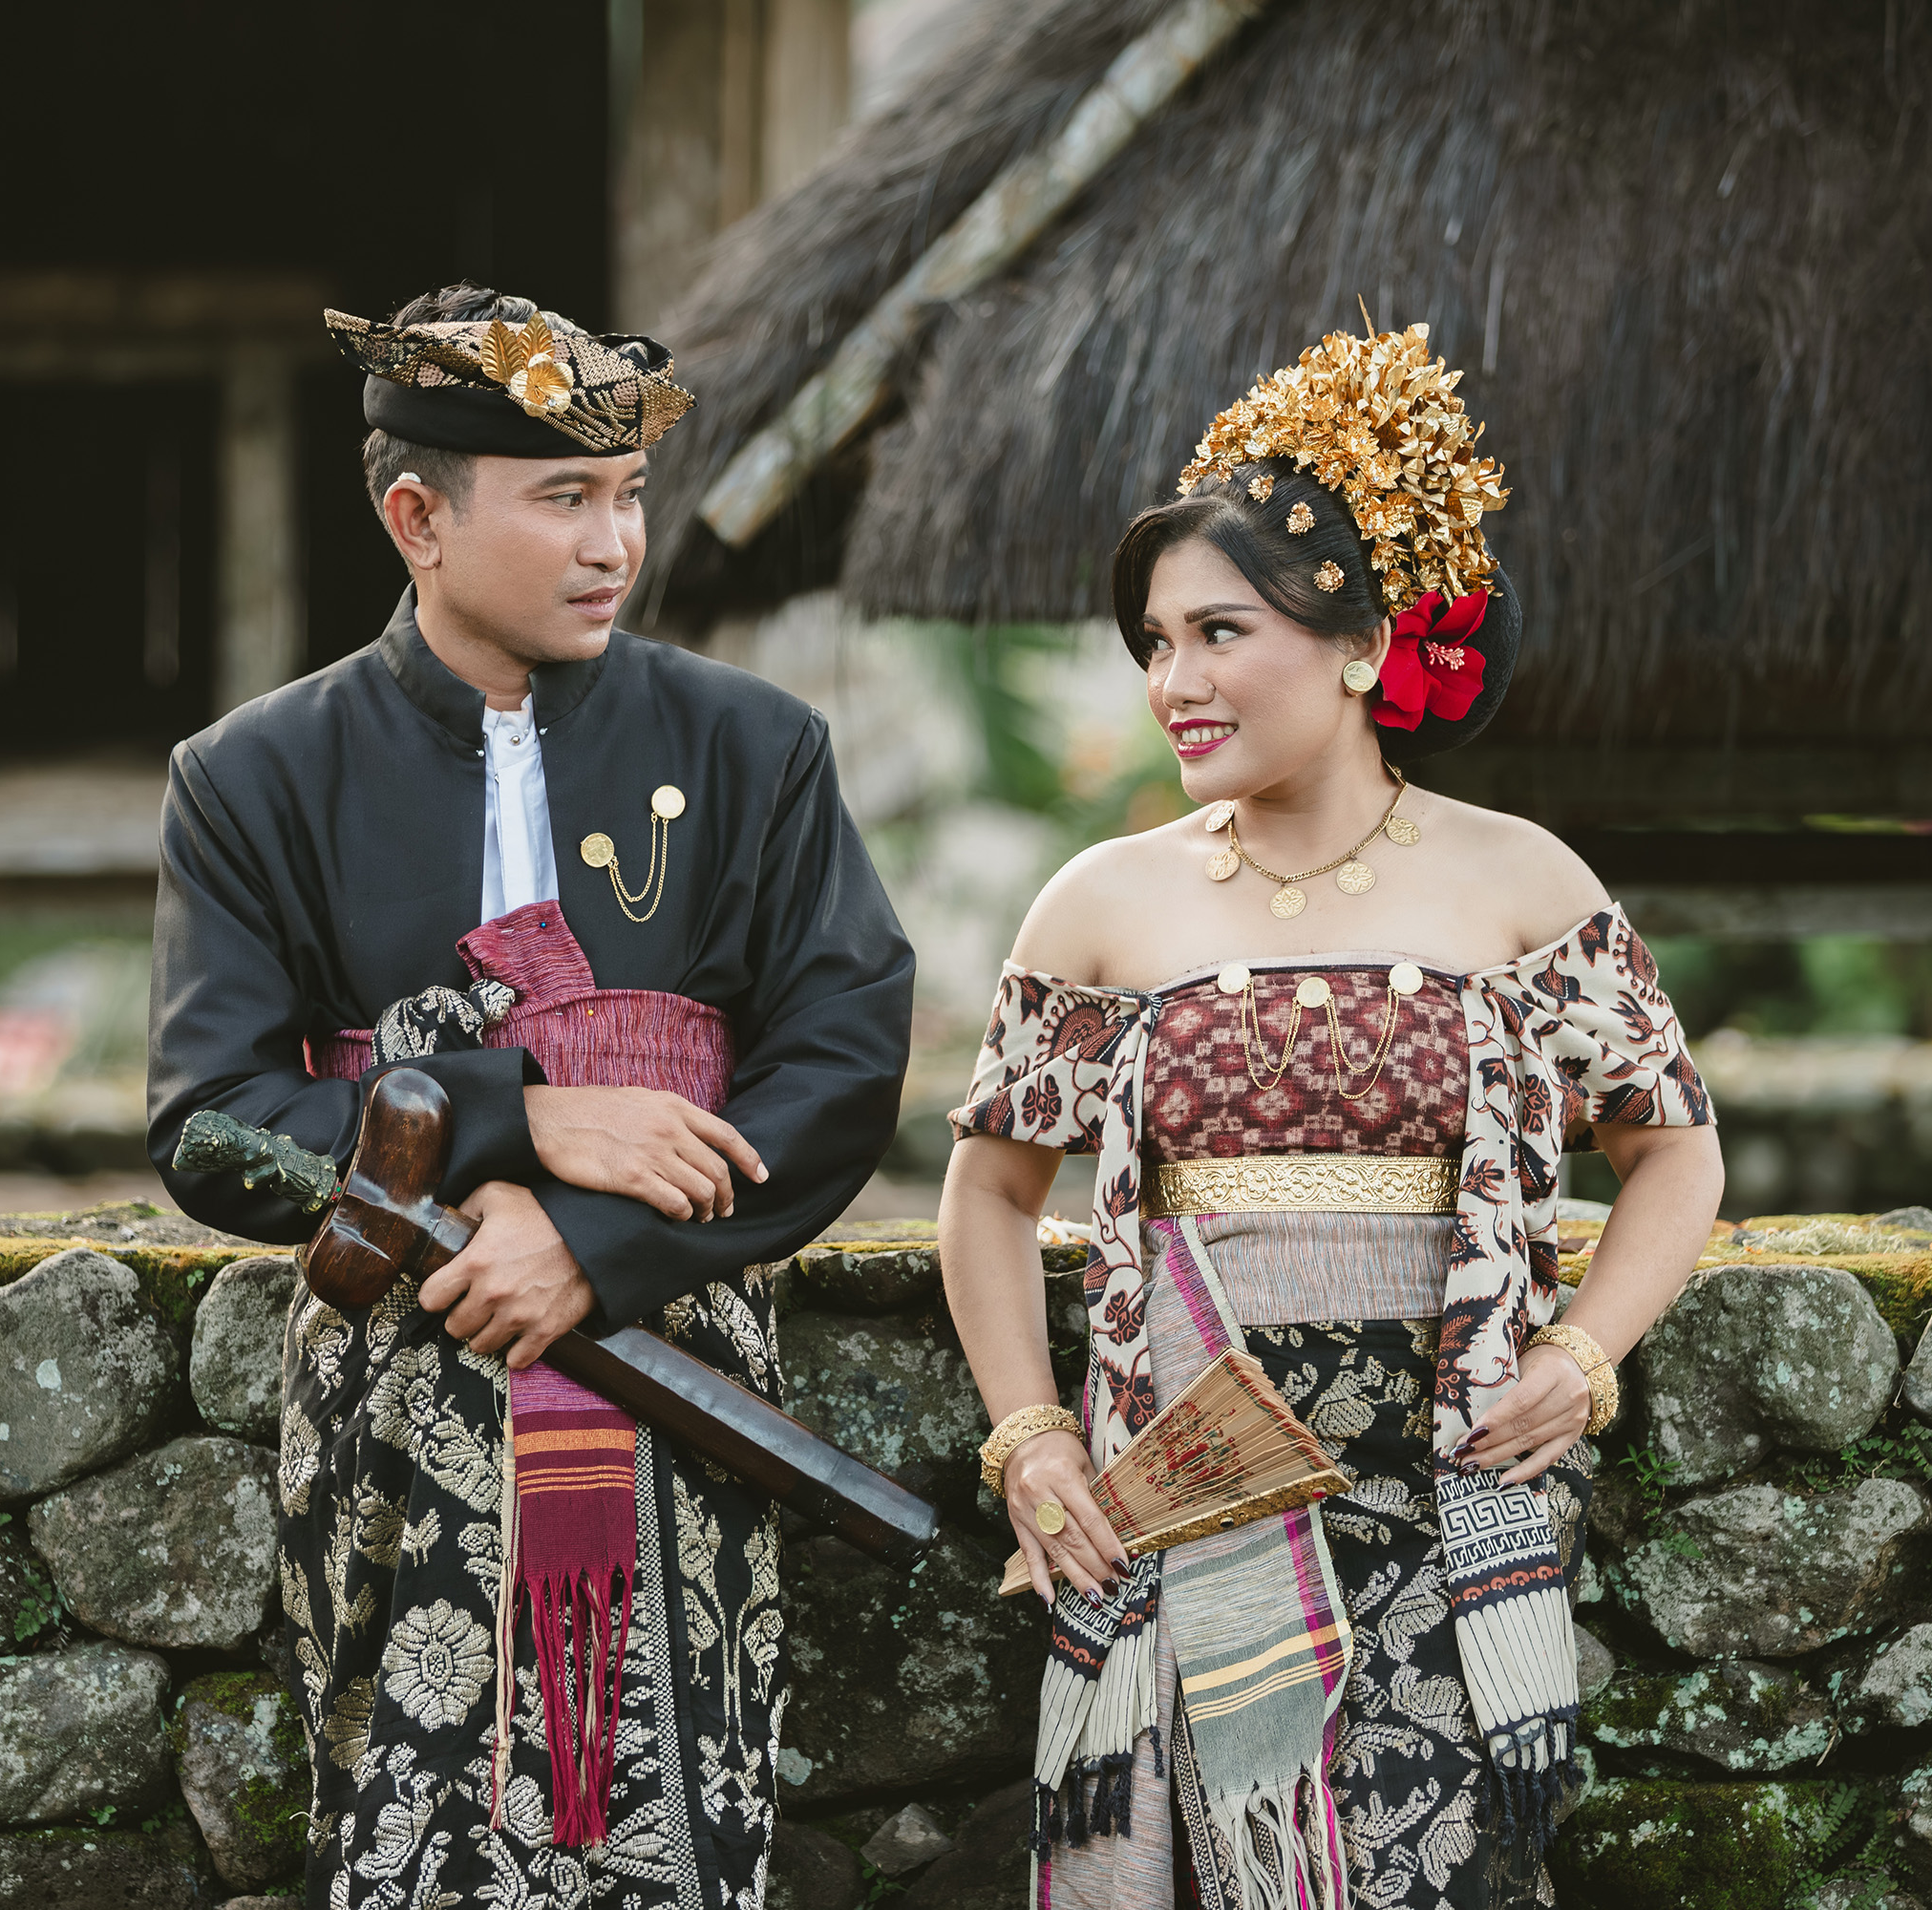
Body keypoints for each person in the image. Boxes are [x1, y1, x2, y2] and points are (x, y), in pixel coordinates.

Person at [146, 283, 915, 1910]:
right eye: (564, 499)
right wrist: (517, 1119)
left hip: (678, 1373)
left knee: (674, 1817)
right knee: (413, 1821)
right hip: (399, 1387)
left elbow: (843, 1060)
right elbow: (213, 1121)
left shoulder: (755, 747)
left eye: (626, 497)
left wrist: (599, 1249)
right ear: (417, 519)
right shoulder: (252, 776)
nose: (612, 545)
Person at [940, 325, 1725, 1910]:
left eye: (1219, 633)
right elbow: (990, 1195)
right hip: (1186, 1500)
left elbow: (1674, 1149)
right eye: (1157, 643)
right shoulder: (1100, 905)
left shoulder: (1523, 882)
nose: (1172, 683)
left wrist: (1582, 1360)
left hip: (1452, 1492)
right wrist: (1032, 1438)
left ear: (1364, 646)